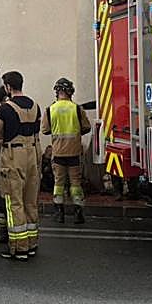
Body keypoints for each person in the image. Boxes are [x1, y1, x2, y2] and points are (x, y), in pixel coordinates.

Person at [0, 70, 41, 261]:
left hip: (13, 154)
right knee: (30, 200)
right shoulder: (35, 105)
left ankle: (19, 247)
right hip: (33, 152)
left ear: (8, 87)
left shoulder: (5, 108)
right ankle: (31, 243)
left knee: (14, 201)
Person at [42, 77, 92, 224]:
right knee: (75, 183)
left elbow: (45, 130)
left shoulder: (50, 109)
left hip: (58, 153)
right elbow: (86, 127)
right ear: (71, 92)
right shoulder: (77, 108)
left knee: (58, 183)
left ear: (57, 92)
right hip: (74, 153)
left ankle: (59, 213)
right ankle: (78, 213)